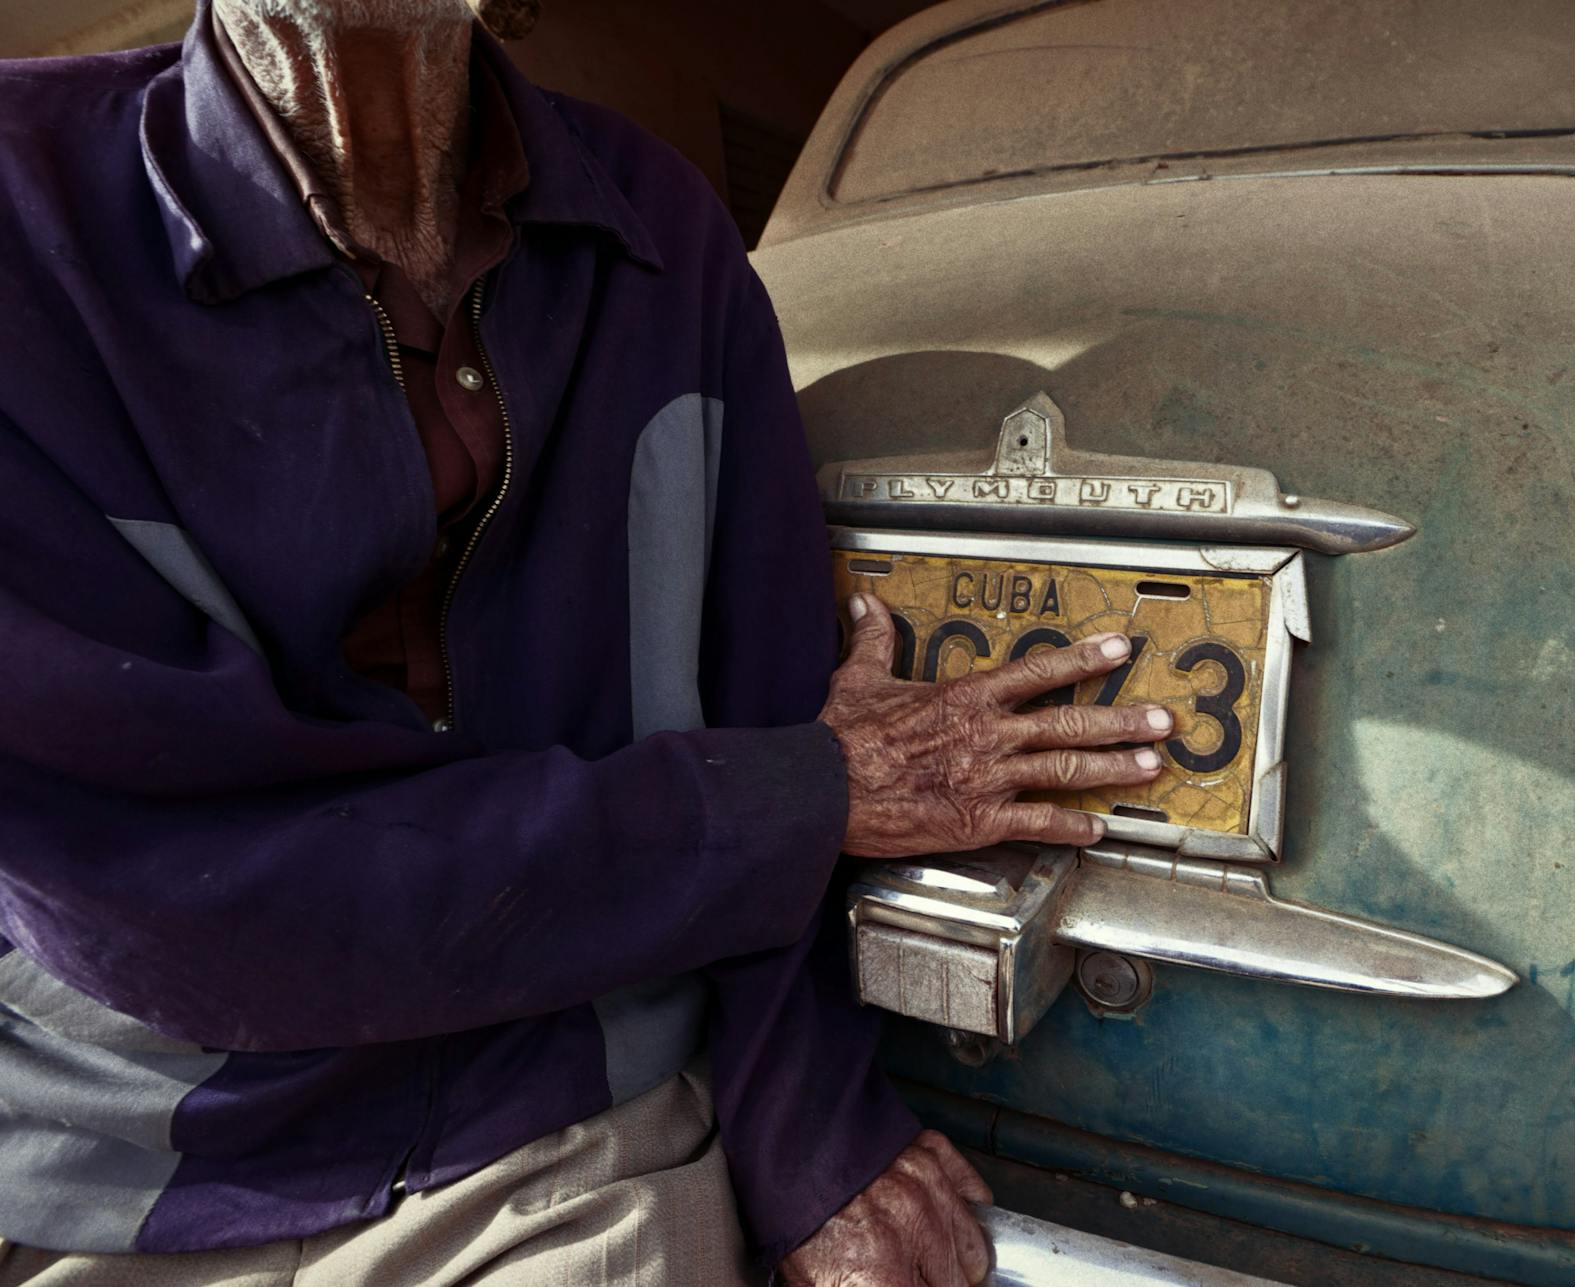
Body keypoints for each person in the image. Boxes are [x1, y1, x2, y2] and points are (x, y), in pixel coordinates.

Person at [0, 0, 1172, 1282]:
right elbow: (170, 890)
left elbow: (774, 694)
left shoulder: (661, 228)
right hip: (129, 1150)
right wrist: (795, 803)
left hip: (555, 1111)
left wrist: (807, 1135)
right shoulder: (24, 206)